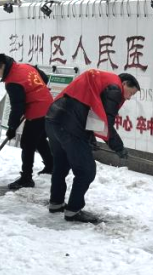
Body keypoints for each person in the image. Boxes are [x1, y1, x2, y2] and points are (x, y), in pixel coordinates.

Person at [45, 68, 140, 223]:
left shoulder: (102, 81)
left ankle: (56, 203)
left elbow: (89, 112)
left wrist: (90, 139)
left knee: (61, 164)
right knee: (86, 170)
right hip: (69, 126)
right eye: (131, 93)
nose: (129, 98)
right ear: (124, 83)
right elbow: (105, 123)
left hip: (53, 118)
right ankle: (73, 210)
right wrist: (118, 147)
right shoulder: (115, 88)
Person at [0, 53, 54, 191]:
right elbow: (45, 78)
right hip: (49, 105)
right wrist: (36, 92)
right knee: (40, 139)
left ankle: (26, 178)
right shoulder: (25, 66)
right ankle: (51, 166)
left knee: (27, 143)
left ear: (2, 66)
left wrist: (12, 127)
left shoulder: (12, 81)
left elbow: (17, 107)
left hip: (37, 110)